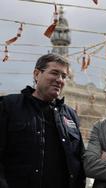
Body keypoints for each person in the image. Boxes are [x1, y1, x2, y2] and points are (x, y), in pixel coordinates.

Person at [0, 54, 85, 188]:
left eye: (64, 76)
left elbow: (78, 161)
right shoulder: (9, 106)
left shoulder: (70, 115)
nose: (59, 80)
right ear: (36, 74)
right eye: (54, 73)